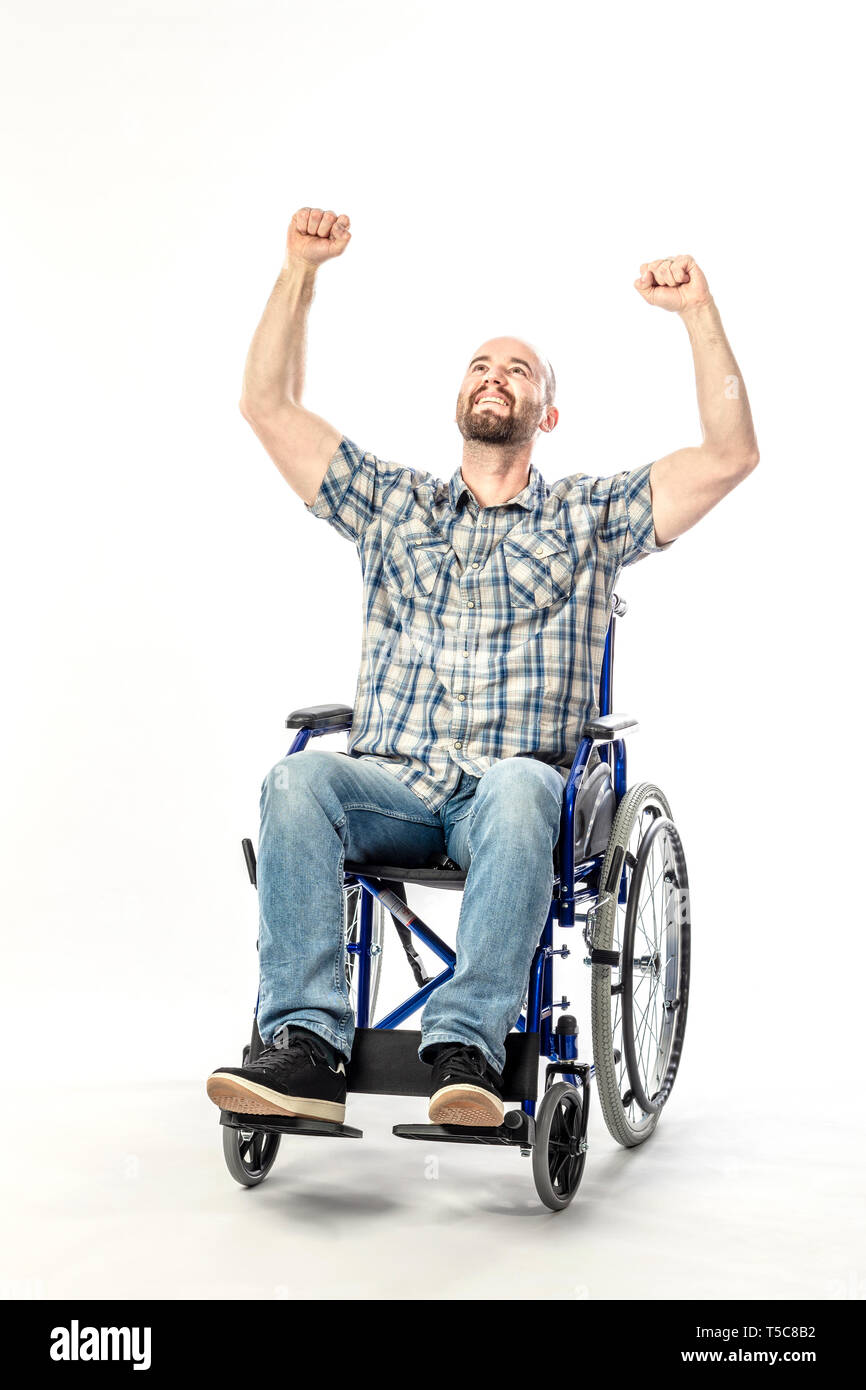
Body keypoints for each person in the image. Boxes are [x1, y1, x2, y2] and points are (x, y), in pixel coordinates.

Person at [206, 207, 759, 1128]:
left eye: (518, 370)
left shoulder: (588, 517)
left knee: (516, 786)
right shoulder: (391, 505)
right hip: (396, 788)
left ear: (545, 413)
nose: (494, 376)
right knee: (297, 778)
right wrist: (300, 271)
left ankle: (467, 1047)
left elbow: (731, 455)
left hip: (507, 803)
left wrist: (698, 313)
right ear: (459, 401)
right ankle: (303, 1046)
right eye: (479, 365)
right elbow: (269, 408)